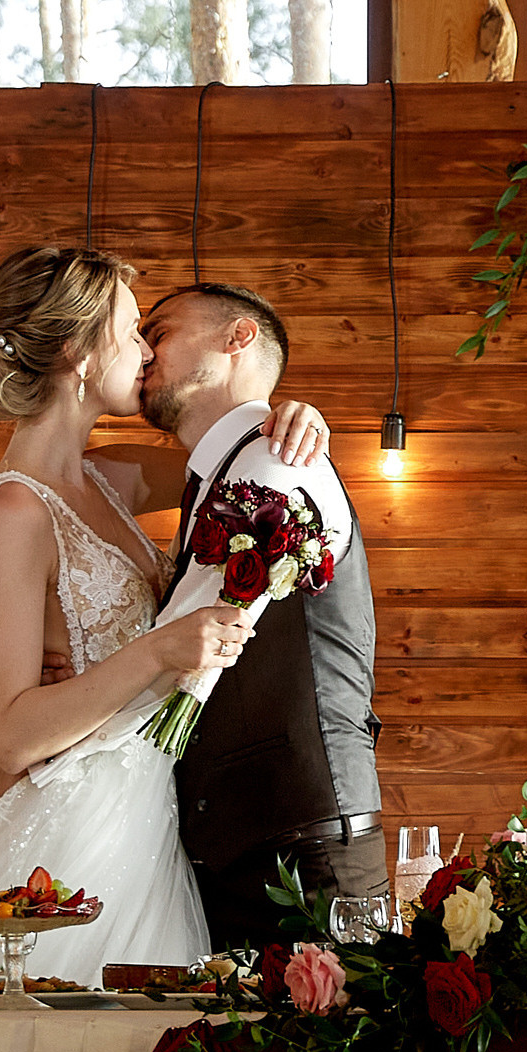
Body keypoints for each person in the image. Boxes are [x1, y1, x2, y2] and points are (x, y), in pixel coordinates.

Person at [0, 245, 329, 985]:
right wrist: (154, 652)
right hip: (81, 827)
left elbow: (240, 459)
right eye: (132, 330)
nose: (146, 351)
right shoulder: (15, 511)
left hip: (151, 810)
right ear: (79, 354)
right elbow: (10, 736)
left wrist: (293, 414)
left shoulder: (112, 477)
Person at [137, 281, 385, 949]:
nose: (143, 351)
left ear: (237, 337)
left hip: (298, 837)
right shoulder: (217, 470)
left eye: (159, 332)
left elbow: (180, 647)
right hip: (240, 835)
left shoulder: (275, 461)